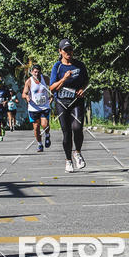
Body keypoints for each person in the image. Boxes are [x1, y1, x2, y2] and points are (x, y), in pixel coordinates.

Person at [49, 39, 89, 172]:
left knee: (77, 128)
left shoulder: (79, 65)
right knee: (66, 133)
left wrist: (83, 89)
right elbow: (52, 88)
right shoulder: (57, 67)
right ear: (60, 52)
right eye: (65, 50)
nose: (68, 52)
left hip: (76, 101)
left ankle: (77, 152)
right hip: (62, 103)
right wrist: (64, 79)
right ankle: (68, 161)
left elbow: (86, 81)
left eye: (70, 49)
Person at [22, 64, 52, 152]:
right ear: (32, 72)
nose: (37, 74)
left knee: (44, 124)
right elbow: (24, 93)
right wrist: (27, 97)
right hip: (33, 108)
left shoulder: (45, 78)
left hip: (44, 106)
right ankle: (39, 144)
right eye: (35, 72)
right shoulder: (29, 81)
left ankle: (47, 135)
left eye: (38, 72)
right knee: (36, 128)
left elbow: (52, 87)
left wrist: (52, 96)